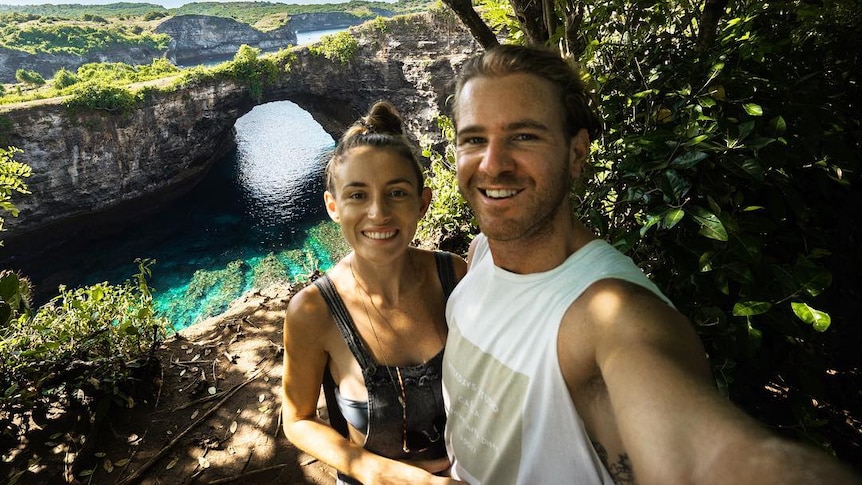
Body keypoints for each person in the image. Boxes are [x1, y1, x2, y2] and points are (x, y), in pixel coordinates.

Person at [441, 44, 859, 484]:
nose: (492, 164)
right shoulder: (481, 253)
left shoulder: (611, 317)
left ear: (577, 153)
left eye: (524, 136)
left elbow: (705, 459)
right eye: (474, 139)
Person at [281, 101, 468, 485]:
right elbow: (297, 419)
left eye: (396, 193)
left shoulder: (454, 274)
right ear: (333, 206)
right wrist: (381, 473)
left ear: (423, 202)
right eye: (357, 195)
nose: (378, 213)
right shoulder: (313, 311)